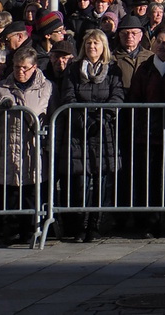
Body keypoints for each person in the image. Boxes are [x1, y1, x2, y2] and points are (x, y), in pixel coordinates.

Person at [55, 27, 124, 242]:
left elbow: (118, 96)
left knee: (101, 179)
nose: (92, 47)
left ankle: (96, 224)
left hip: (104, 131)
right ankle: (81, 224)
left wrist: (103, 119)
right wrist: (84, 120)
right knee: (80, 180)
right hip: (79, 132)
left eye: (96, 43)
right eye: (88, 44)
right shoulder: (74, 69)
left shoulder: (113, 70)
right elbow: (68, 97)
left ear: (103, 47)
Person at [0, 46, 52, 247]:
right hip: (8, 145)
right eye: (17, 67)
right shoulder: (2, 87)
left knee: (32, 190)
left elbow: (47, 112)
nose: (20, 71)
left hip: (32, 147)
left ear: (34, 67)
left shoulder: (46, 87)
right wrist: (0, 106)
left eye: (24, 68)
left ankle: (31, 229)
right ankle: (11, 229)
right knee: (11, 191)